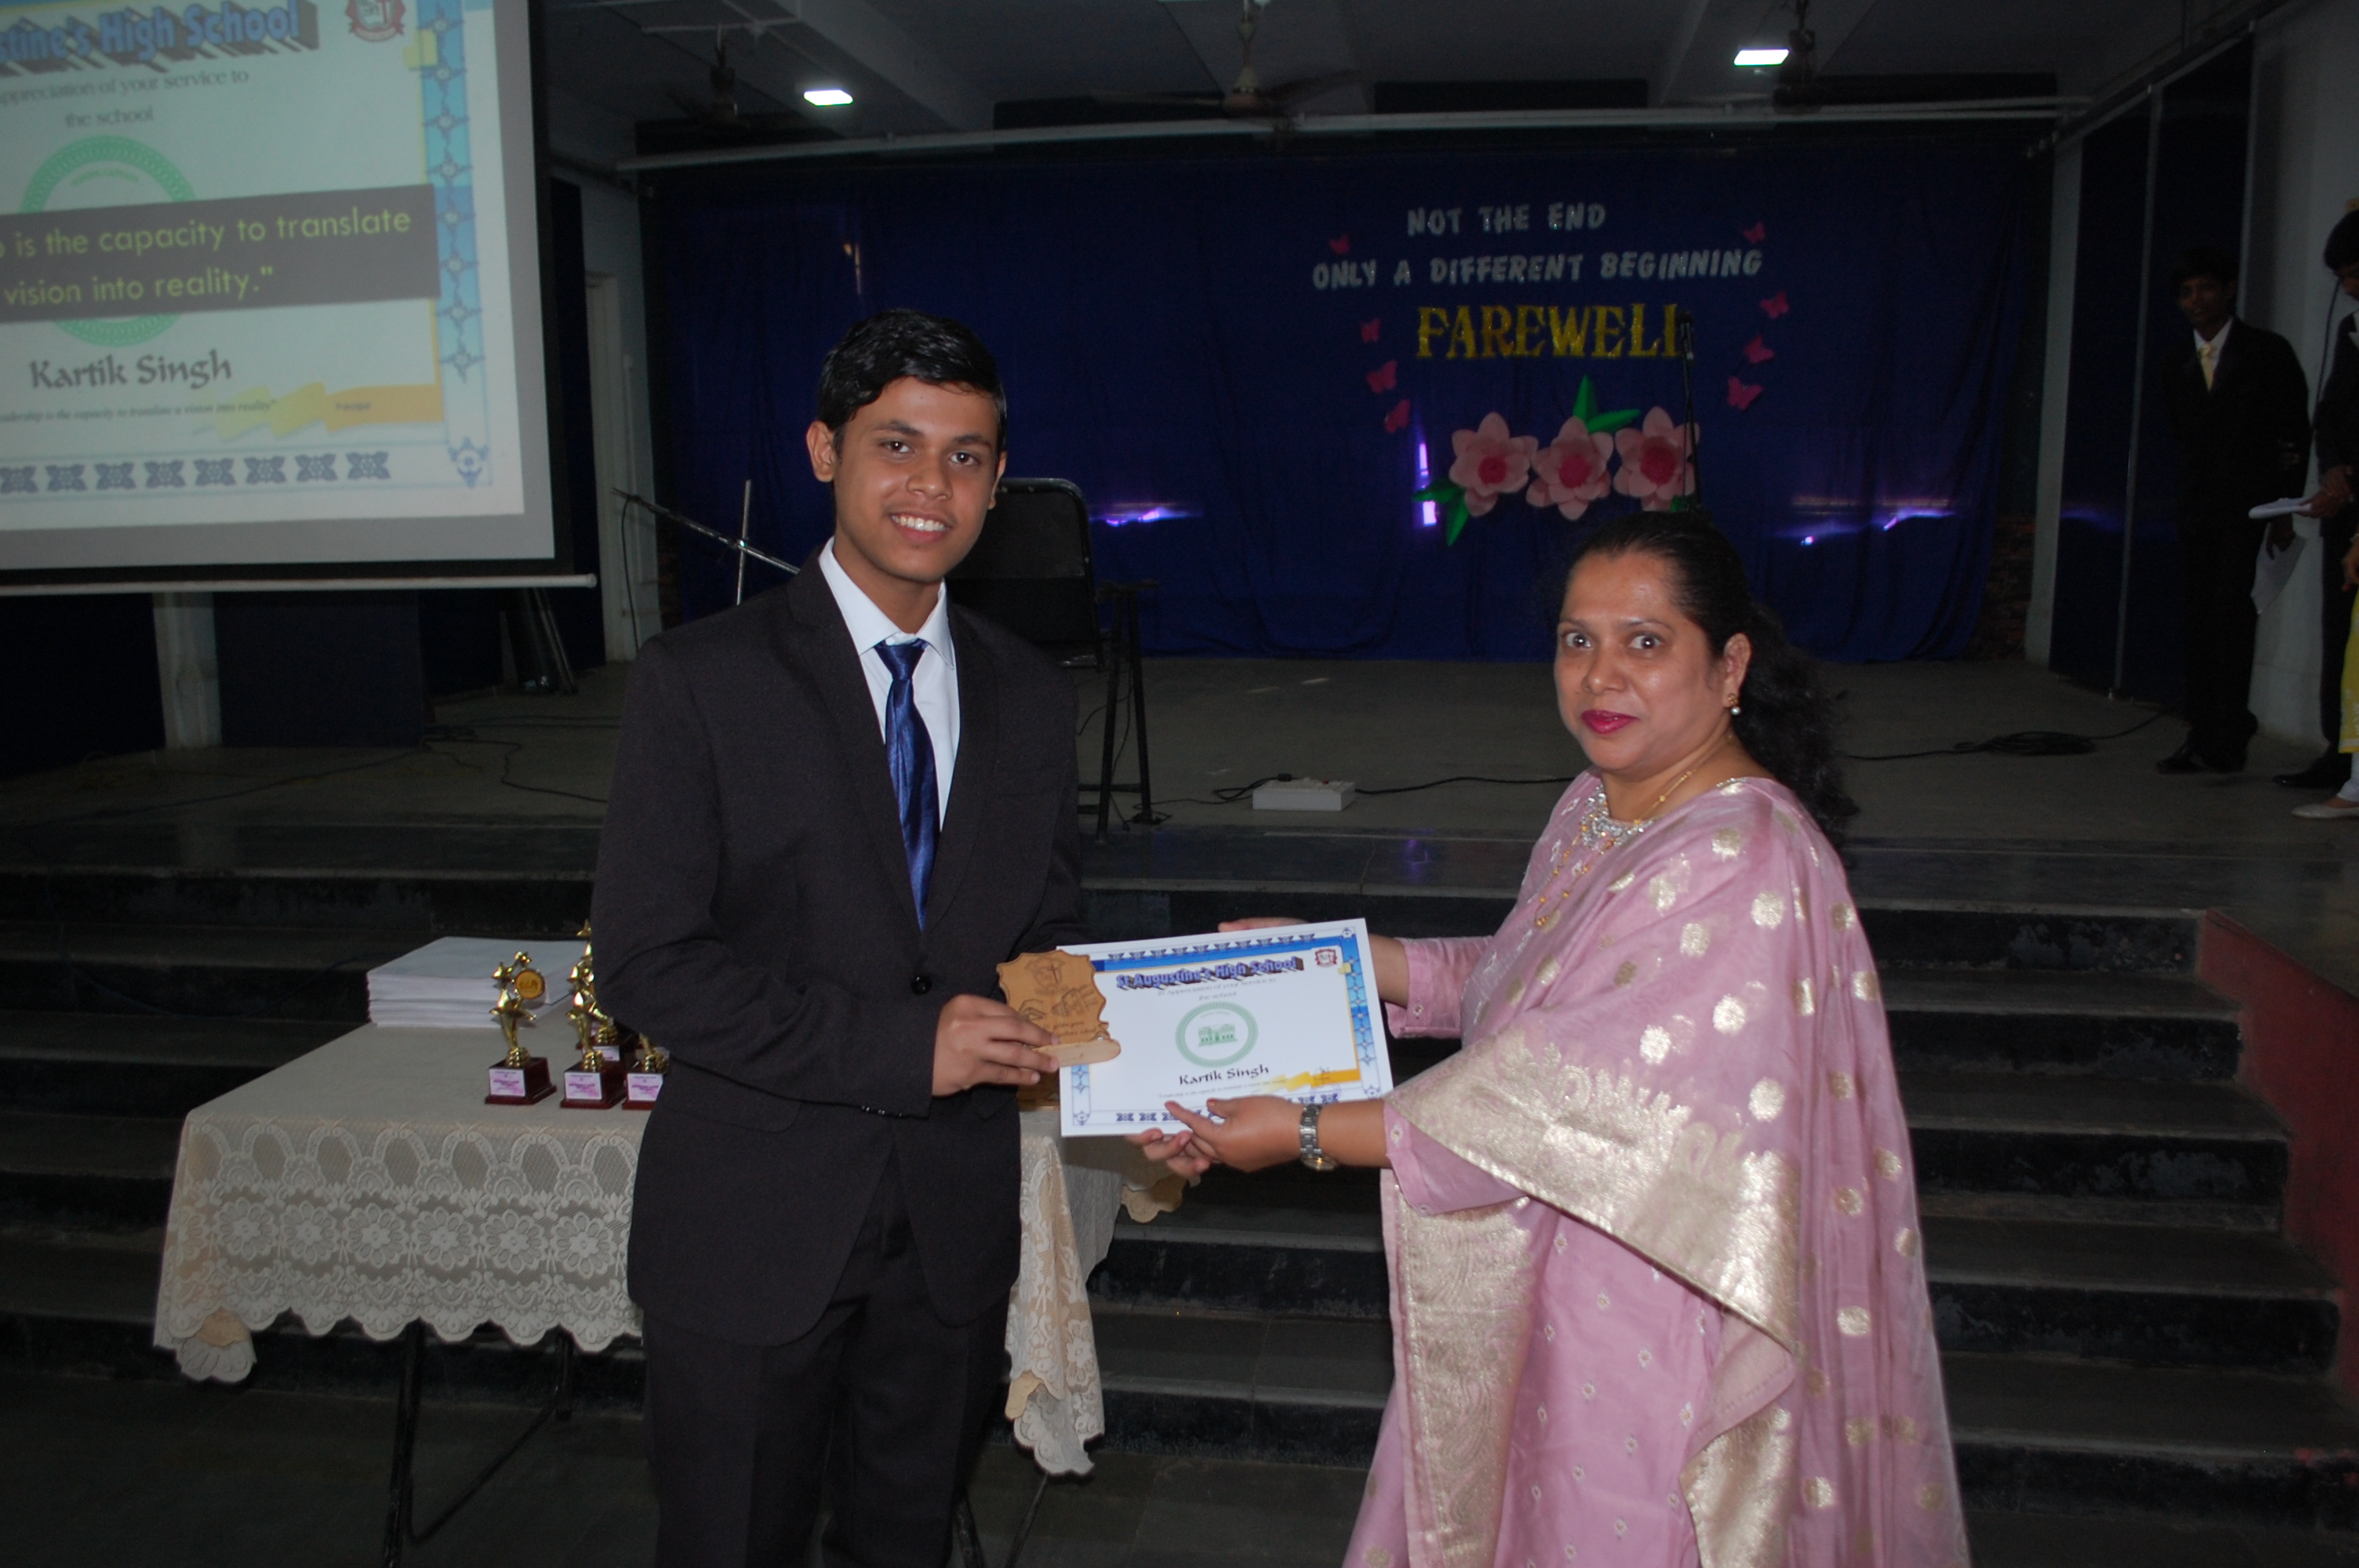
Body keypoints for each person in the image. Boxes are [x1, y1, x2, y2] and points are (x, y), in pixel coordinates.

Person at [1133, 513, 1964, 1568]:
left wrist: (1303, 1129)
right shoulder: (1600, 804)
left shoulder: (1744, 854)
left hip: (1650, 1307)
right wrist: (1347, 960)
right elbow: (1543, 981)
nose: (1599, 676)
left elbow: (1563, 1090)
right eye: (1577, 640)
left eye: (1644, 642)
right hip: (1547, 1276)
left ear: (1730, 665)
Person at [593, 310, 1084, 1567]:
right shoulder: (701, 679)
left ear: (997, 482)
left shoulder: (1031, 694)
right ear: (825, 451)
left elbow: (1044, 928)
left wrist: (1130, 1042)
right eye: (897, 446)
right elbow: (649, 960)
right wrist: (903, 1048)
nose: (933, 486)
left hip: (950, 1234)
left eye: (967, 457)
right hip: (753, 1227)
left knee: (905, 1544)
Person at [2156, 246, 2313, 774]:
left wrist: (2284, 507)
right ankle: (2201, 729)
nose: (2196, 300)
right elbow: (2183, 436)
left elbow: (2293, 433)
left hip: (2250, 507)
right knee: (2197, 619)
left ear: (2227, 290)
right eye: (2186, 292)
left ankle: (2229, 731)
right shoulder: (2176, 363)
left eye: (2206, 288)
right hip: (2198, 507)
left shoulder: (2266, 352)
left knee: (2232, 617)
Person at [2286, 211, 2359, 814]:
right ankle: (2341, 751)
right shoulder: (2351, 329)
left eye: (2357, 272)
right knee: (2339, 632)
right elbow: (2330, 411)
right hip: (2345, 503)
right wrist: (2332, 468)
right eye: (2343, 277)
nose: (2351, 286)